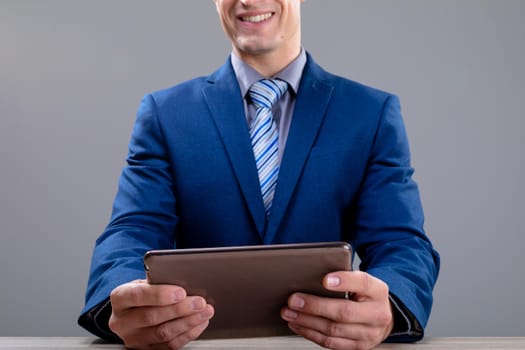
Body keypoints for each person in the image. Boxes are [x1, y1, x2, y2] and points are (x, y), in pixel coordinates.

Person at [78, 1, 440, 349]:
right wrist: (126, 300)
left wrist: (390, 307)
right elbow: (130, 231)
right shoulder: (165, 113)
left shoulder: (370, 113)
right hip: (199, 346)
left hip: (323, 346)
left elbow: (402, 243)